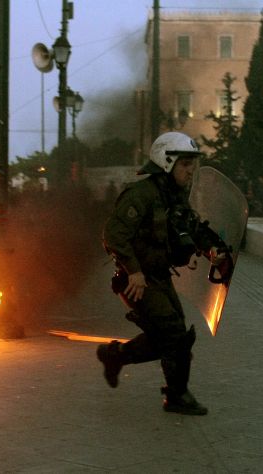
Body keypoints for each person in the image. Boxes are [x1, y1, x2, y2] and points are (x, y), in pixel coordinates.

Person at [97, 132, 230, 416]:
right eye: (185, 164)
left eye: (193, 164)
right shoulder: (140, 194)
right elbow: (113, 234)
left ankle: (115, 357)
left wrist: (212, 251)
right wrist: (133, 271)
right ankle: (177, 395)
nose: (190, 170)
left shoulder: (175, 196)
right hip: (136, 281)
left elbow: (191, 227)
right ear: (166, 162)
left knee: (169, 338)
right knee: (173, 335)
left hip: (158, 277)